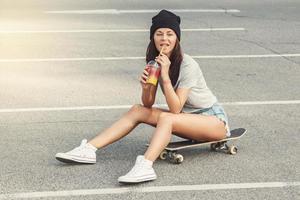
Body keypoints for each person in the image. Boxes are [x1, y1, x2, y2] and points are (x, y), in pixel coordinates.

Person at [55, 9, 230, 184]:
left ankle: (145, 166)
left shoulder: (188, 65)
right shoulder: (155, 61)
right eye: (159, 34)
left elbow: (175, 109)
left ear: (177, 38)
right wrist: (146, 87)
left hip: (213, 121)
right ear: (153, 38)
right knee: (137, 110)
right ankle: (89, 149)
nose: (164, 39)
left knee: (167, 118)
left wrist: (165, 76)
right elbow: (147, 103)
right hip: (187, 119)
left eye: (170, 34)